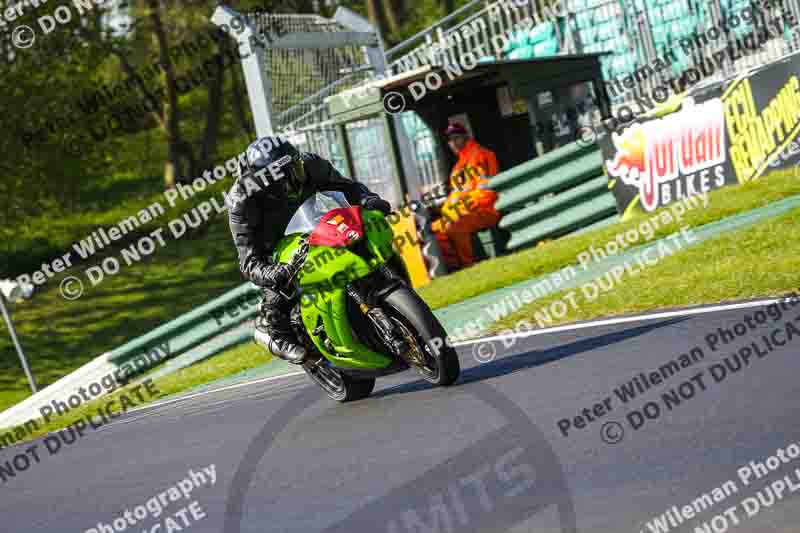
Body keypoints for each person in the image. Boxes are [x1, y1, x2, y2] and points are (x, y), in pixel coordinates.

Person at [227, 136, 391, 364]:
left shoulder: (309, 164)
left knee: (361, 241)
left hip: (311, 223)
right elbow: (248, 261)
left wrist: (368, 199)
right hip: (272, 246)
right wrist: (274, 273)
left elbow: (347, 187)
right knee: (280, 289)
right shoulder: (241, 201)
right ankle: (277, 335)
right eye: (283, 178)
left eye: (294, 169)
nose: (293, 180)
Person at [432, 123, 502, 269]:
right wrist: (447, 211)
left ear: (466, 137)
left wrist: (460, 208)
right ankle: (453, 269)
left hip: (486, 210)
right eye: (450, 140)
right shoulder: (457, 167)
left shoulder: (482, 155)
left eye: (457, 138)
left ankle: (469, 266)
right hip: (465, 211)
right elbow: (454, 197)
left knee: (453, 225)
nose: (453, 143)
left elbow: (487, 193)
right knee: (435, 230)